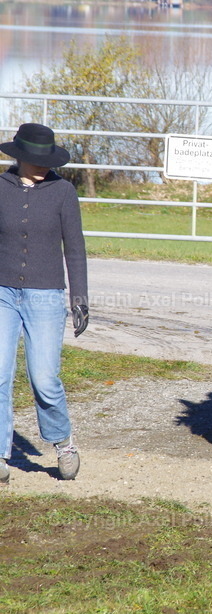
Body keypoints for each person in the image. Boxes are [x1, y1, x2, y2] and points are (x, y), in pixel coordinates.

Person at [0, 123, 88, 484]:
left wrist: (80, 298)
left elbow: (76, 248)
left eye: (46, 159)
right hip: (2, 293)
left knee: (44, 378)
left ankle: (63, 442)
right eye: (35, 159)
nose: (42, 165)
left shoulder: (62, 191)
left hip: (46, 295)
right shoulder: (0, 188)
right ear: (19, 157)